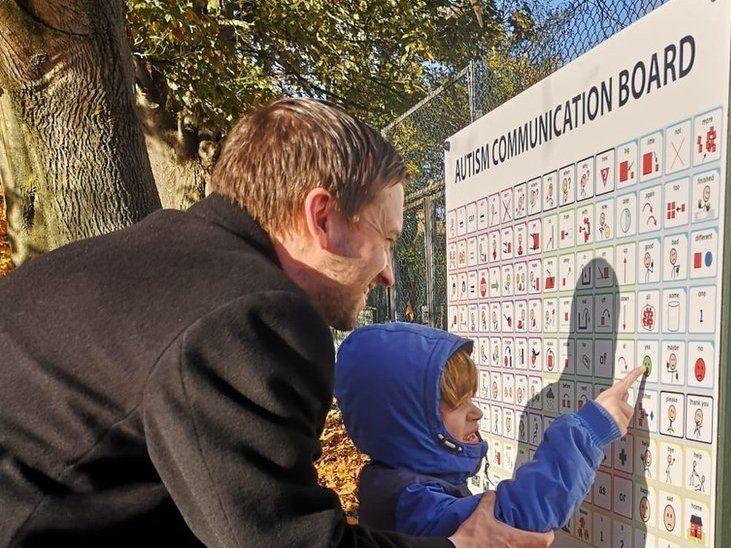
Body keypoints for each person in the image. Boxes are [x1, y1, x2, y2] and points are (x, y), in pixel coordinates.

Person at [0, 98, 550, 547]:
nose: (387, 274)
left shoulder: (155, 263)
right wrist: (463, 546)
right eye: (387, 239)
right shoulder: (254, 316)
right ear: (322, 217)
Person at [333, 322, 645, 536]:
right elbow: (512, 523)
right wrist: (587, 433)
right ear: (406, 420)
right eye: (458, 403)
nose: (477, 413)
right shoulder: (412, 502)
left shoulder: (397, 476)